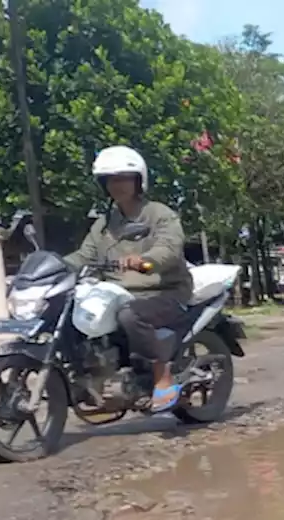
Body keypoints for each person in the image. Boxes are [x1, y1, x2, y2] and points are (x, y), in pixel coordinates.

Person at [65, 146, 194, 413]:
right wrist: (54, 267)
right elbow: (84, 254)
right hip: (117, 291)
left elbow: (169, 248)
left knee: (130, 315)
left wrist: (145, 260)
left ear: (138, 180)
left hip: (164, 290)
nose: (117, 185)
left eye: (124, 178)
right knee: (69, 312)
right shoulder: (104, 224)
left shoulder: (160, 214)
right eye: (111, 179)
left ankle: (162, 376)